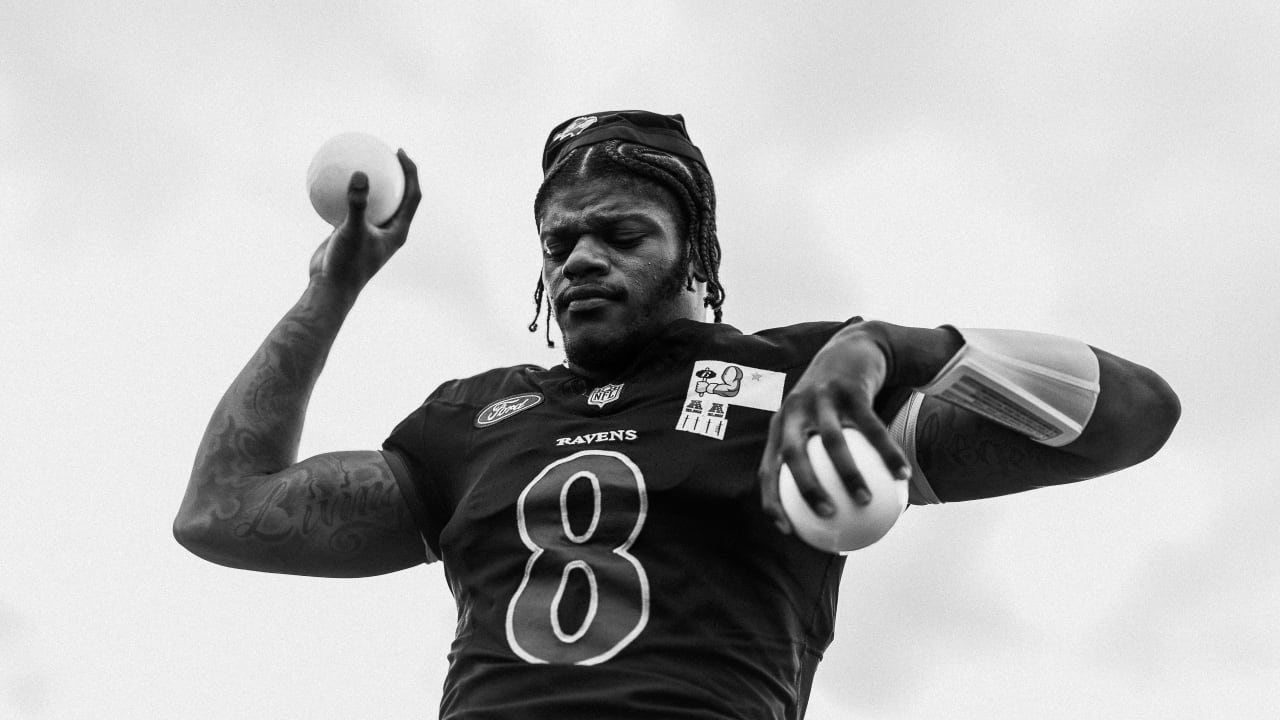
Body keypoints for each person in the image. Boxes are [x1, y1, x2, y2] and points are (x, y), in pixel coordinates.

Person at [174, 110, 1180, 720]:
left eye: (619, 233)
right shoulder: (471, 419)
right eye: (558, 242)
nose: (578, 261)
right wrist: (332, 289)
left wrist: (886, 348)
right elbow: (223, 509)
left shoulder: (798, 380)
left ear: (694, 256)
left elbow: (1132, 413)